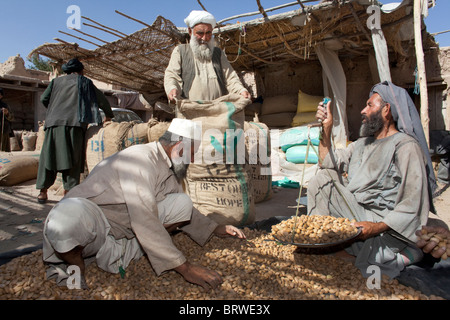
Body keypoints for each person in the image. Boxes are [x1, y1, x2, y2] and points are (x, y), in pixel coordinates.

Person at [42, 118, 246, 290]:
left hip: (121, 236)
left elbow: (187, 213)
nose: (192, 160)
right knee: (67, 219)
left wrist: (215, 228)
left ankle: (128, 252)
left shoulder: (168, 169)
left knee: (182, 202)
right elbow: (144, 217)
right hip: (94, 223)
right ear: (178, 147)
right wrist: (186, 268)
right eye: (191, 153)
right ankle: (74, 268)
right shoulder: (141, 160)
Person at [307, 81, 437, 279]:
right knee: (323, 178)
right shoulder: (362, 143)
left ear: (386, 110)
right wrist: (327, 128)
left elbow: (412, 203)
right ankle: (321, 243)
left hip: (385, 223)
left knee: (377, 252)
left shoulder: (405, 147)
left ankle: (395, 254)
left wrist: (375, 227)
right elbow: (326, 162)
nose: (362, 110)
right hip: (357, 210)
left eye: (370, 105)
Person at [36, 58, 114, 203]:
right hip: (74, 125)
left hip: (53, 124)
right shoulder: (84, 82)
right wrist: (108, 114)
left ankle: (42, 192)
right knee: (73, 159)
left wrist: (55, 109)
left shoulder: (56, 82)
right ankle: (68, 193)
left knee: (48, 157)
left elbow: (44, 98)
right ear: (80, 70)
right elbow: (101, 99)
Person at [164, 10, 251, 102]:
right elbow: (172, 75)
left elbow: (230, 78)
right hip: (190, 111)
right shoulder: (180, 51)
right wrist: (172, 88)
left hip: (216, 110)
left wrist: (241, 90)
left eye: (208, 33)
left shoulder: (218, 53)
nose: (204, 38)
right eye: (200, 33)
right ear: (190, 31)